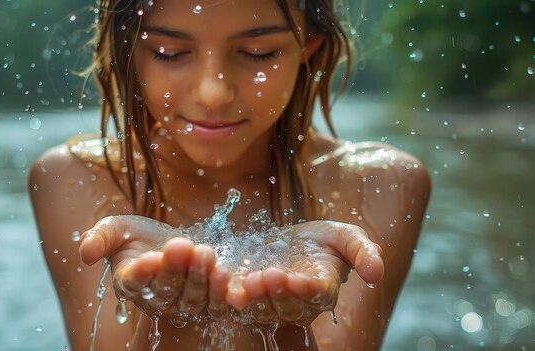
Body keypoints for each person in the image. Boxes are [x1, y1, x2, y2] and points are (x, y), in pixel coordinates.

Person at [29, 0, 431, 350]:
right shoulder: (72, 178)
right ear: (128, 47)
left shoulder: (382, 184)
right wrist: (172, 316)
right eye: (169, 52)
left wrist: (285, 324)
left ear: (309, 45)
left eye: (258, 52)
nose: (213, 92)